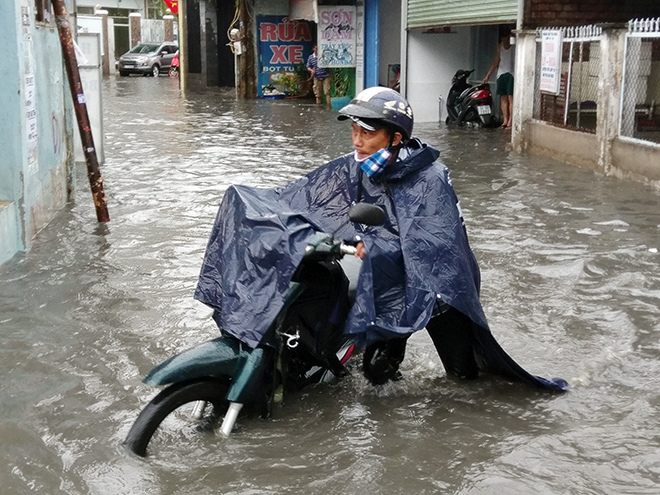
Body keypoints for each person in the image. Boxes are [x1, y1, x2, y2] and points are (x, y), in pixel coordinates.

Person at [195, 87, 568, 392]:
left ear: (396, 137)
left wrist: (371, 246)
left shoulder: (430, 178)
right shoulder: (359, 163)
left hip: (440, 288)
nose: (357, 141)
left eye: (368, 132)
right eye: (354, 130)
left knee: (465, 379)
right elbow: (308, 197)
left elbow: (429, 247)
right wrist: (259, 211)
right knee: (376, 371)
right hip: (388, 279)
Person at [483, 28, 516, 129]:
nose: (505, 40)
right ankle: (505, 120)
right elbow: (496, 61)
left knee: (511, 97)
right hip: (501, 73)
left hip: (511, 73)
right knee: (503, 98)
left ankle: (511, 120)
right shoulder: (499, 47)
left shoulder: (515, 46)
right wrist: (488, 75)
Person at [307, 45, 331, 109]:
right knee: (318, 95)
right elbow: (308, 67)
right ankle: (318, 109)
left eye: (318, 48)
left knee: (327, 93)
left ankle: (328, 108)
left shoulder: (324, 55)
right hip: (316, 77)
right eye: (315, 48)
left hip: (325, 76)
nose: (317, 49)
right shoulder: (311, 57)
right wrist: (312, 70)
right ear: (313, 49)